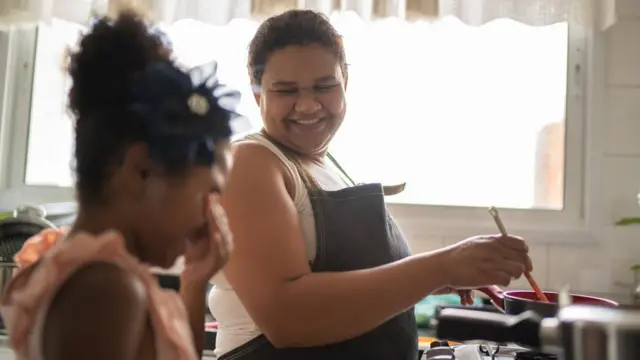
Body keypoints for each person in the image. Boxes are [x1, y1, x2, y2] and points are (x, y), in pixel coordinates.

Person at [208, 8, 533, 360]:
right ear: (258, 93)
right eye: (285, 90)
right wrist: (442, 265)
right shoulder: (249, 163)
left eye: (324, 86)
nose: (307, 104)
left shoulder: (325, 165)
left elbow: (346, 287)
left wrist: (443, 277)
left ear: (345, 81)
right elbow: (287, 318)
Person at [0, 8, 240, 360]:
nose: (210, 217)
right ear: (138, 170)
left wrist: (195, 279)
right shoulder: (107, 290)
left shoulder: (71, 265)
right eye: (208, 194)